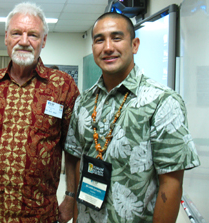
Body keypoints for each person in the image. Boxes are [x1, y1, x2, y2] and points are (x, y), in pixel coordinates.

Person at [64, 12, 200, 223]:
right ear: (93, 48)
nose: (108, 47)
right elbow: (75, 158)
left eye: (116, 38)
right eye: (99, 40)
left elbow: (171, 184)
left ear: (135, 45)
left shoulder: (162, 102)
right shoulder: (84, 102)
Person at [0, 2, 79, 223]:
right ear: (6, 38)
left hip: (39, 214)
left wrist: (71, 197)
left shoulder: (63, 86)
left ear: (44, 41)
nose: (23, 41)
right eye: (16, 33)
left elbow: (73, 148)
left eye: (33, 35)